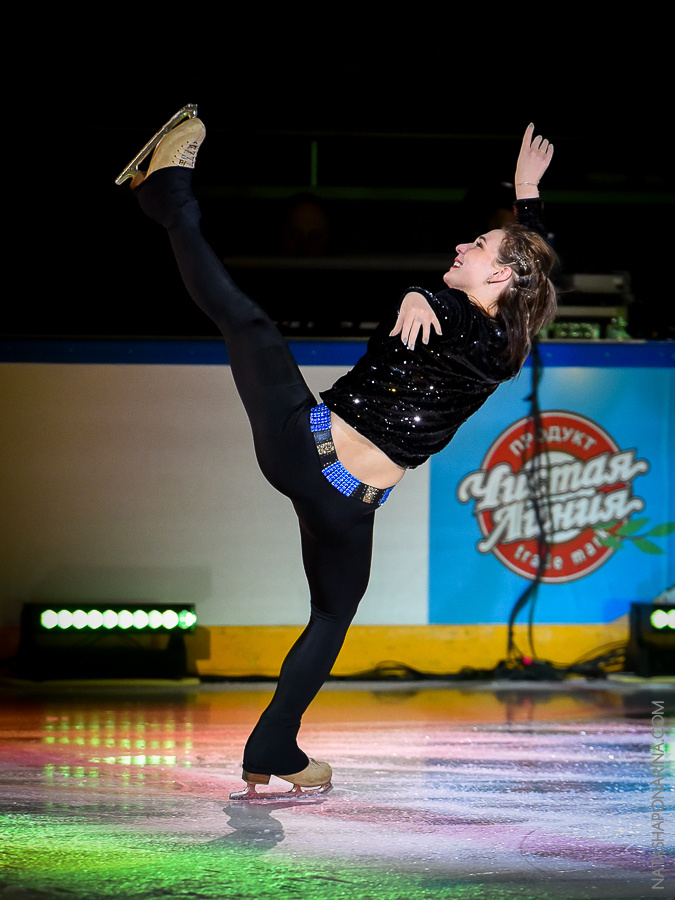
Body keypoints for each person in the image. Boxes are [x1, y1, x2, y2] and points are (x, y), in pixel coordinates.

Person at [116, 110, 557, 799]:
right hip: (344, 502)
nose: (461, 245)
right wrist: (526, 197)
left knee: (247, 321)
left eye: (477, 245)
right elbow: (513, 278)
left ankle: (168, 197)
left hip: (306, 450)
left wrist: (422, 291)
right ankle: (273, 743)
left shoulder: (466, 322)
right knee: (330, 618)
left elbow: (458, 303)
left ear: (501, 274)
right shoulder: (504, 344)